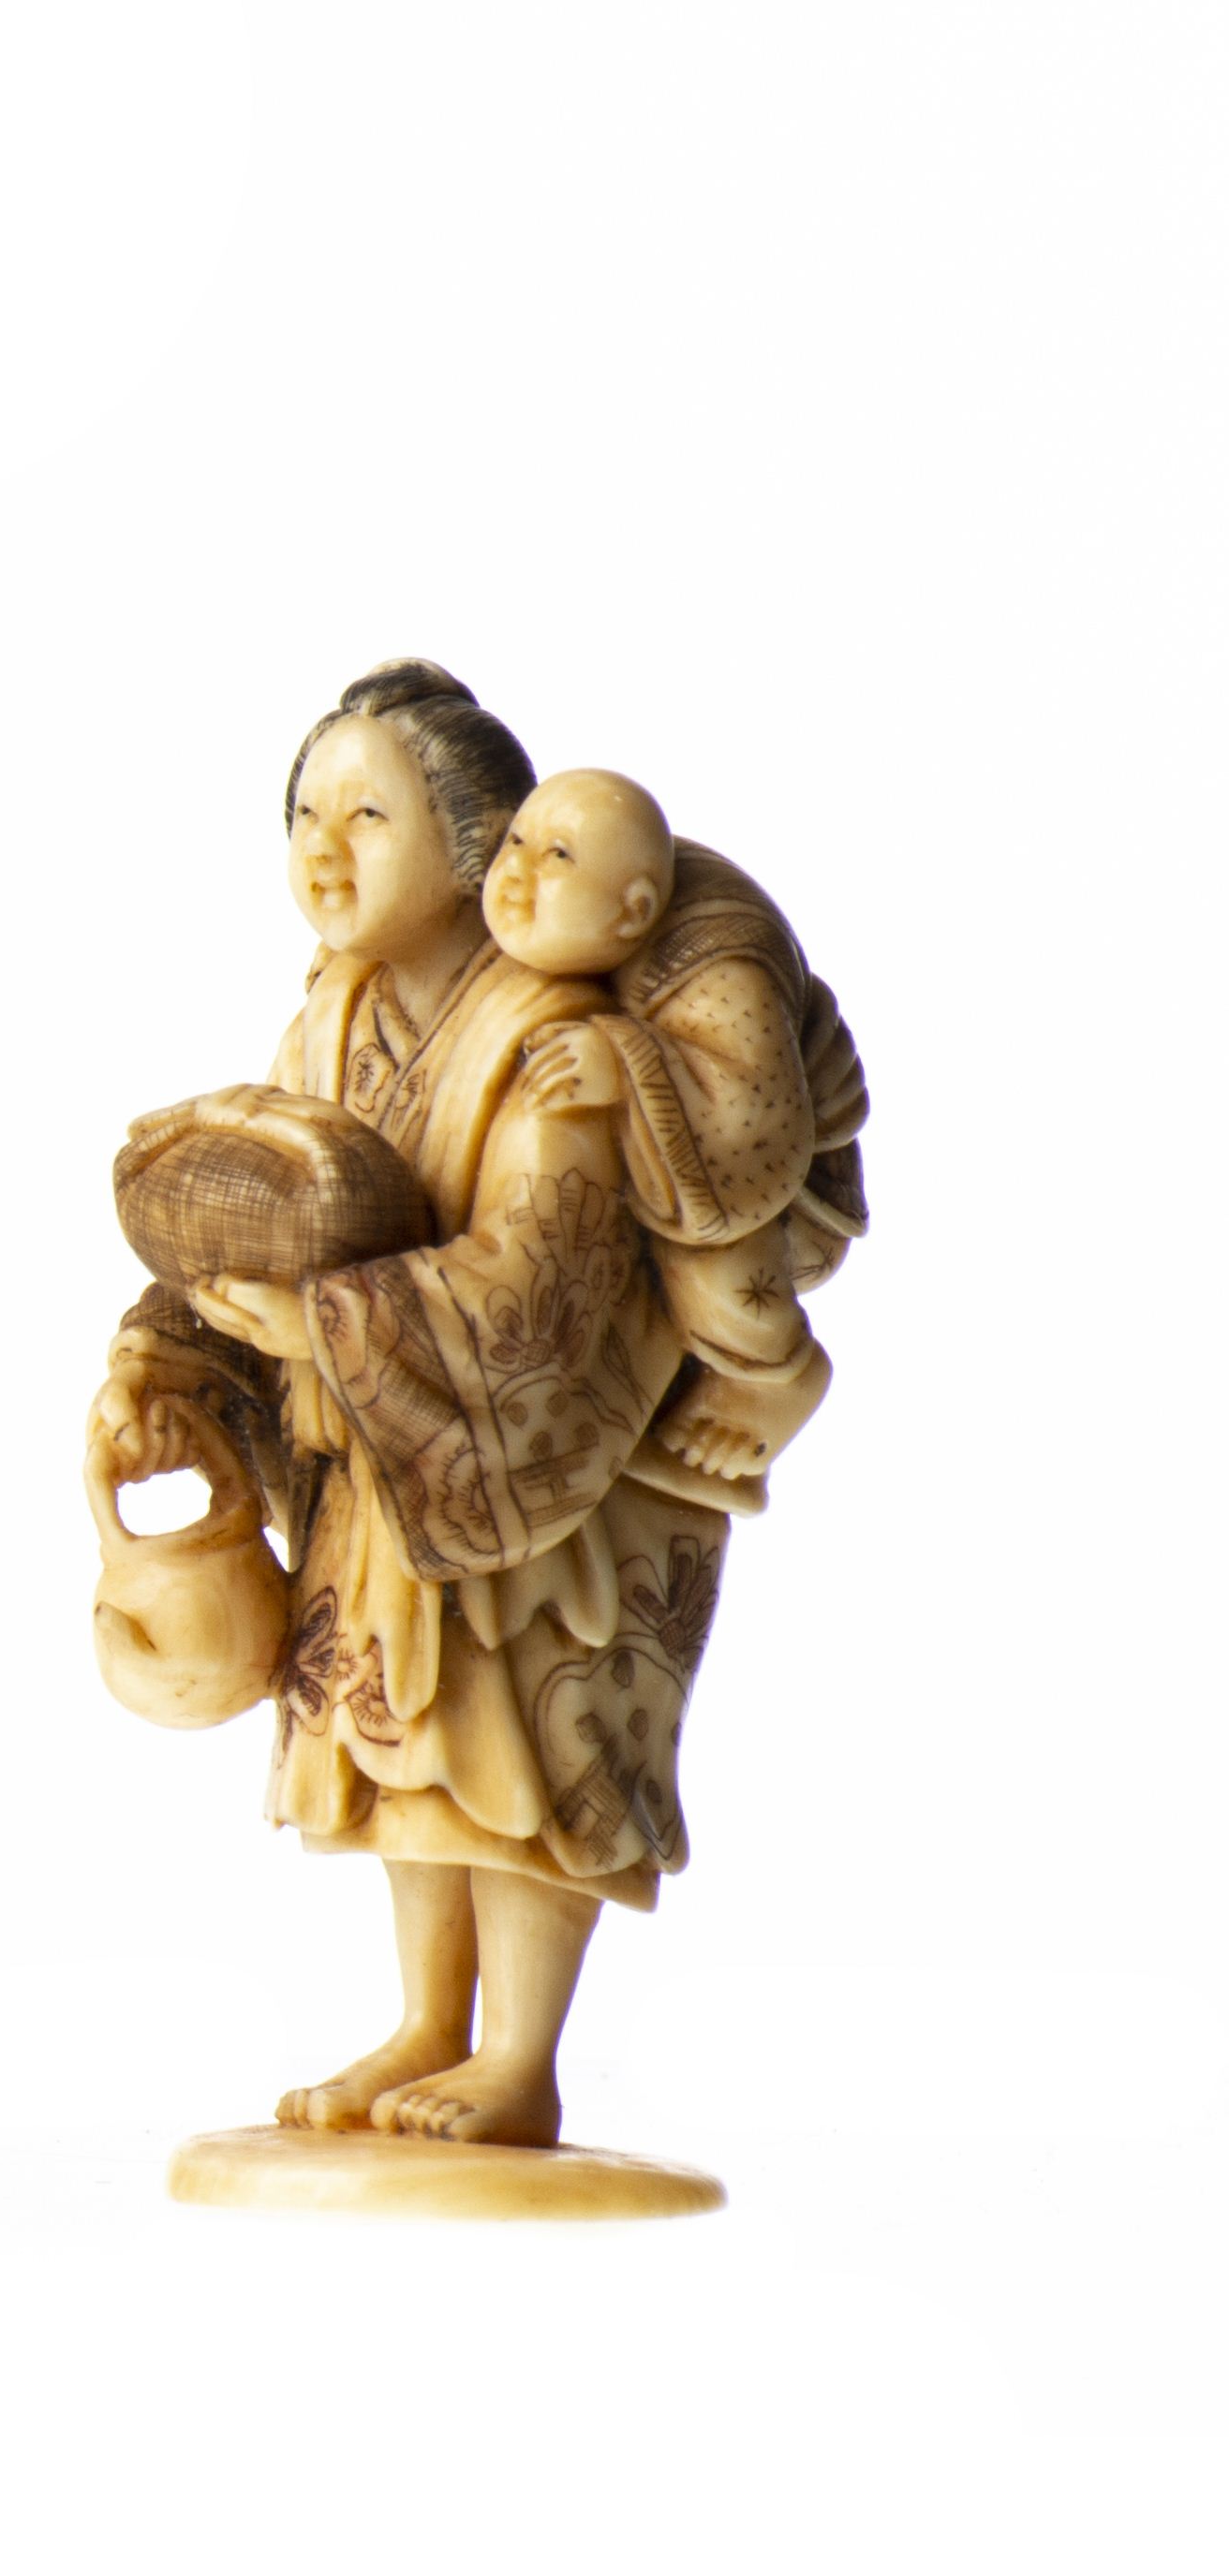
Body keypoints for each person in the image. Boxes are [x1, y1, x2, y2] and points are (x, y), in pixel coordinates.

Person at [103, 662, 718, 2148]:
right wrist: (169, 1363)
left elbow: (547, 1284)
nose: (324, 851)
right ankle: (429, 2023)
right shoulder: (326, 1023)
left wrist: (327, 1329)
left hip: (545, 1479)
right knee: (405, 1750)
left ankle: (520, 2055)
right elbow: (254, 1219)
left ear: (470, 845)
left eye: (367, 817)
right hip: (384, 1470)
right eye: (303, 816)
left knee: (520, 1750)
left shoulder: (550, 1040)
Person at [481, 768, 871, 1496]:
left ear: (633, 911)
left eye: (555, 857)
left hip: (776, 1190)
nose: (514, 873)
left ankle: (776, 1376)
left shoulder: (717, 969)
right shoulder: (585, 913)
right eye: (516, 841)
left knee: (705, 1264)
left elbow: (745, 1120)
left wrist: (625, 1067)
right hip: (682, 1162)